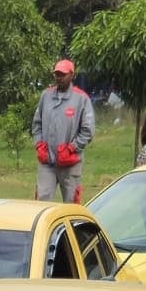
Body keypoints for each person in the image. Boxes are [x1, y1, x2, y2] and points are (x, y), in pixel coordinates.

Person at [33, 57, 97, 202]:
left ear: (72, 75)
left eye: (63, 74)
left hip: (70, 163)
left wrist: (72, 148)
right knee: (41, 201)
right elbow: (36, 124)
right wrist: (39, 145)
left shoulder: (81, 99)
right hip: (47, 162)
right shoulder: (46, 95)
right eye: (57, 74)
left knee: (71, 205)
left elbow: (88, 130)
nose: (59, 78)